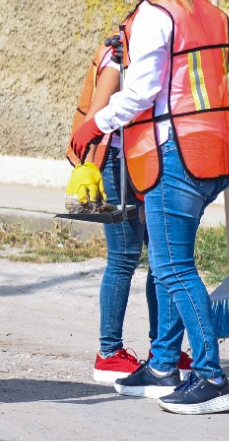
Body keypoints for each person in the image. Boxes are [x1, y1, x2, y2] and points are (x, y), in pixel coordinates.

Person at [70, 0, 229, 415]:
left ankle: (210, 376)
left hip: (174, 154)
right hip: (214, 153)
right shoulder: (208, 10)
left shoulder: (153, 14)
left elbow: (141, 92)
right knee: (168, 266)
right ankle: (164, 364)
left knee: (173, 268)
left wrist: (94, 125)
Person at [66, 39, 190, 384]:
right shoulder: (117, 61)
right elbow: (92, 123)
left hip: (148, 160)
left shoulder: (152, 54)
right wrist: (86, 170)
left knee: (161, 259)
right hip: (117, 166)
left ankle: (162, 349)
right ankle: (108, 353)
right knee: (123, 257)